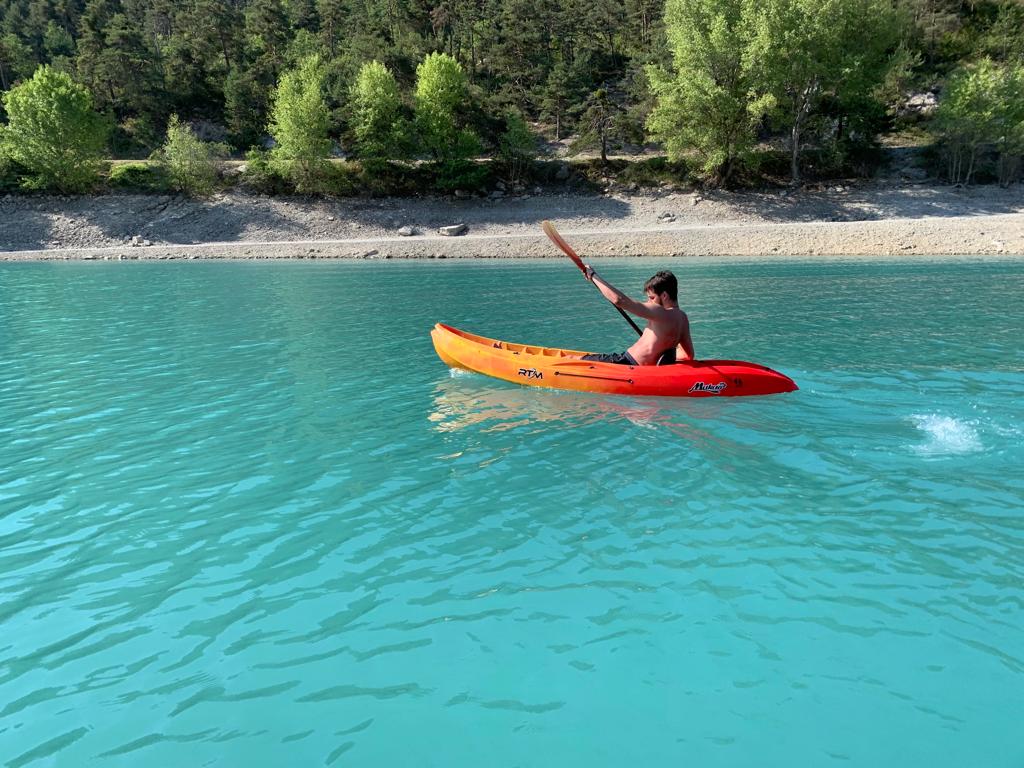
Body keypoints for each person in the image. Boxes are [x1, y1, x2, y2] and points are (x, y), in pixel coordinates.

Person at [579, 267, 694, 366]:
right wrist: (661, 358)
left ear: (664, 295)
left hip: (626, 362)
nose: (648, 301)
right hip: (645, 368)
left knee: (574, 360)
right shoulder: (683, 318)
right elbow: (688, 355)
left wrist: (593, 276)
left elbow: (619, 300)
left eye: (652, 297)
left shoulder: (660, 312)